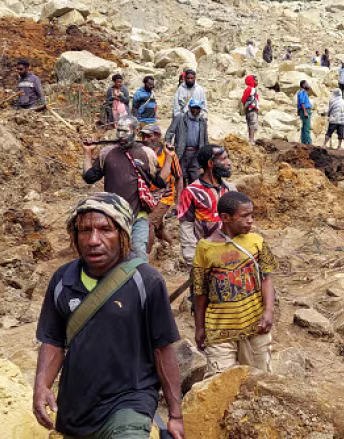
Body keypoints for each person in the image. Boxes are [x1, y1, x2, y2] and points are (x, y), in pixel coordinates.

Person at [33, 192, 183, 439]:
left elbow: (163, 350)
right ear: (75, 236)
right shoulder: (62, 280)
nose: (93, 240)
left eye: (106, 230)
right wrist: (41, 386)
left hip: (130, 404)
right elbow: (53, 341)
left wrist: (175, 415)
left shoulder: (146, 281)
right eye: (85, 230)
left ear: (123, 234)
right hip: (76, 410)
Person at [193, 191, 277, 376]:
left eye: (252, 215)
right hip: (219, 331)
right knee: (219, 384)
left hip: (255, 326)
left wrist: (269, 310)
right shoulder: (205, 248)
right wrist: (199, 327)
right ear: (225, 217)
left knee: (261, 382)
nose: (251, 220)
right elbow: (200, 292)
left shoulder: (256, 242)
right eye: (245, 215)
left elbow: (266, 278)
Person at [82, 116, 172, 262]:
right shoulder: (106, 153)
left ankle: (141, 283)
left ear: (136, 131)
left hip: (138, 216)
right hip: (113, 217)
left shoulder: (147, 153)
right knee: (114, 256)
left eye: (125, 131)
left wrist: (169, 158)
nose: (121, 135)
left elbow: (160, 181)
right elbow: (89, 177)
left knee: (139, 254)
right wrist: (87, 153)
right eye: (119, 131)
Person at [178, 144, 237, 267]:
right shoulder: (191, 192)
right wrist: (192, 260)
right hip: (206, 257)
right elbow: (186, 227)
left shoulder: (230, 189)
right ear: (210, 164)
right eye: (224, 159)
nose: (229, 163)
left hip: (232, 254)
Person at [140, 125, 182, 253]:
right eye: (143, 136)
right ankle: (172, 246)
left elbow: (179, 177)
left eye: (149, 136)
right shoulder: (141, 153)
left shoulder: (168, 154)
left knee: (149, 224)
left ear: (158, 137)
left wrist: (178, 202)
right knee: (158, 228)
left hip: (165, 196)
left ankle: (144, 259)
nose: (145, 139)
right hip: (146, 196)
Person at [166, 99, 209, 186]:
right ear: (189, 107)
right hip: (182, 151)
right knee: (181, 175)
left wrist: (207, 152)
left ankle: (192, 195)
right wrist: (168, 143)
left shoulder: (202, 121)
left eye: (198, 108)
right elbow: (170, 132)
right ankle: (181, 196)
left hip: (196, 153)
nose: (196, 110)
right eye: (194, 108)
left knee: (195, 176)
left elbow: (205, 138)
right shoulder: (180, 117)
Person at [242, 75, 260, 144]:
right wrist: (249, 105)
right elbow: (244, 99)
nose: (257, 82)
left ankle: (251, 139)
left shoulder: (253, 89)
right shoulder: (250, 89)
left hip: (252, 109)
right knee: (252, 123)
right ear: (251, 81)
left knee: (250, 124)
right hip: (251, 109)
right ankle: (251, 139)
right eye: (256, 80)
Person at [297, 80, 312, 145]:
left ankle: (303, 142)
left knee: (304, 128)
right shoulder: (302, 92)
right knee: (307, 127)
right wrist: (305, 112)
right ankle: (309, 142)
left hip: (303, 111)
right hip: (305, 110)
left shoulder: (301, 92)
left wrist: (298, 111)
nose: (308, 85)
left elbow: (298, 102)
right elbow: (302, 102)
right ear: (303, 85)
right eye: (307, 84)